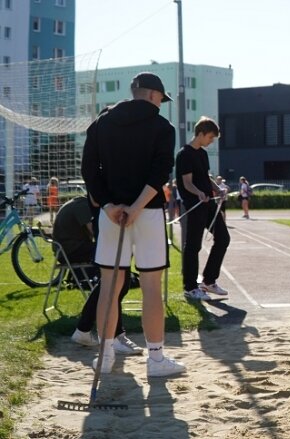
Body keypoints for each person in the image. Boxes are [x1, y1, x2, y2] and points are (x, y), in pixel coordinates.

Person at [81, 71, 185, 377]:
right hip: (148, 212)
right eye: (161, 99)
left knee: (109, 287)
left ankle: (106, 355)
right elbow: (161, 171)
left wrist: (110, 205)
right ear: (154, 95)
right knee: (151, 287)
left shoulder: (102, 122)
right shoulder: (162, 126)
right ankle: (155, 359)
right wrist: (137, 207)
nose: (161, 104)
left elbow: (89, 169)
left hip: (112, 213)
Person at [66, 195, 142, 356]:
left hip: (116, 221)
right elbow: (96, 197)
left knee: (118, 285)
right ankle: (112, 336)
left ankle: (87, 329)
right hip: (109, 224)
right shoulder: (96, 180)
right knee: (114, 285)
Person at [176, 116, 231, 301]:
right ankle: (190, 287)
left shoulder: (202, 154)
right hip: (194, 206)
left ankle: (208, 281)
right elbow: (187, 183)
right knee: (193, 245)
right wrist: (199, 193)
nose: (211, 141)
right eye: (210, 137)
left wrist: (218, 189)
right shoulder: (184, 154)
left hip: (209, 205)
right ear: (200, 134)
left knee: (223, 238)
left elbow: (205, 176)